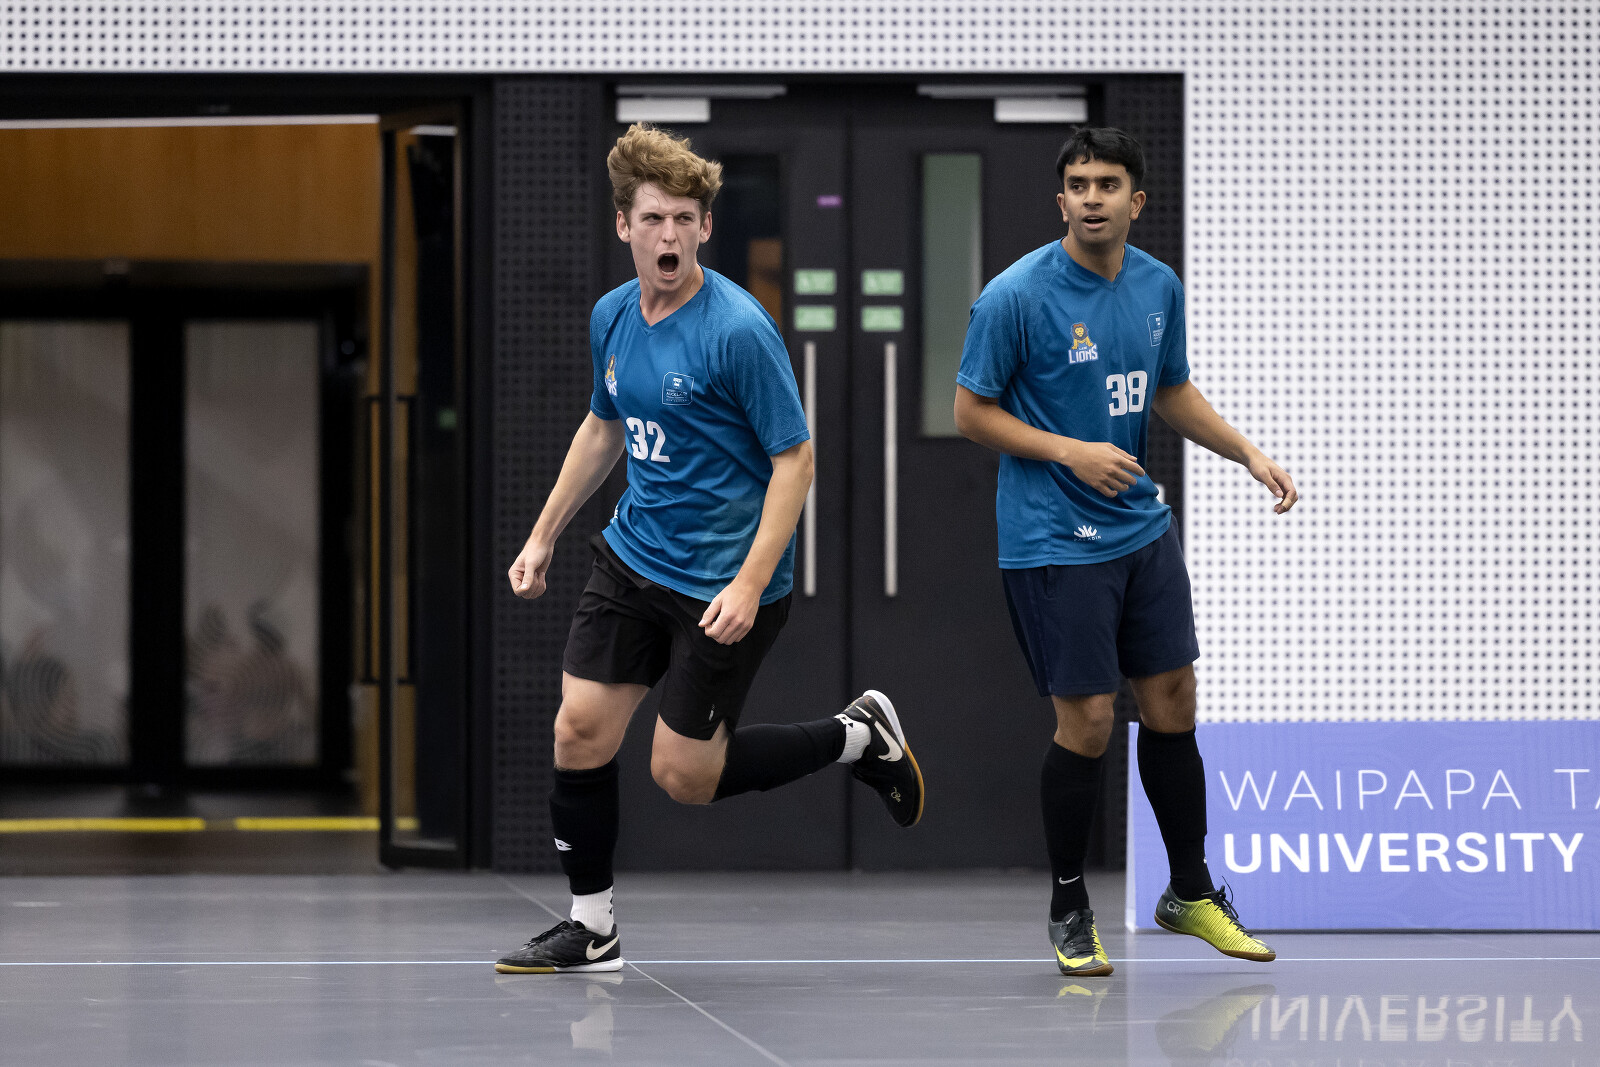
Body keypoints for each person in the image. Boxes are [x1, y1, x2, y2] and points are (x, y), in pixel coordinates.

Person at [496, 124, 924, 974]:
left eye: (685, 219)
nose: (670, 236)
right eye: (654, 218)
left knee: (684, 776)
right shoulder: (613, 317)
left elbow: (796, 461)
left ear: (705, 228)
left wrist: (749, 583)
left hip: (724, 582)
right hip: (633, 557)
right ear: (625, 225)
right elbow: (603, 426)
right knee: (578, 728)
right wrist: (542, 536)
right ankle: (592, 925)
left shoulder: (738, 330)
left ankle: (857, 736)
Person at [953, 127, 1297, 977]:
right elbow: (970, 411)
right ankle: (1070, 906)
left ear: (1136, 201)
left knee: (1174, 700)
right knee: (1090, 719)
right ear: (1061, 200)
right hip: (1053, 537)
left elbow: (1169, 388)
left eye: (1108, 184)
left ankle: (1190, 892)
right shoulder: (1015, 295)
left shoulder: (1157, 284)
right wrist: (1071, 451)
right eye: (1078, 184)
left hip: (1141, 529)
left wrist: (1247, 453)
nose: (1092, 198)